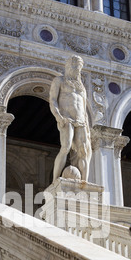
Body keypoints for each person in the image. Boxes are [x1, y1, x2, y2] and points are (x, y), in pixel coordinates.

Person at [49, 55, 92, 183]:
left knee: (83, 152)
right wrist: (58, 116)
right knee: (66, 147)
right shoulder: (59, 80)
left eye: (78, 67)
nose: (75, 69)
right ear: (67, 66)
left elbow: (83, 107)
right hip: (66, 119)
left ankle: (84, 182)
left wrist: (87, 126)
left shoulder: (81, 86)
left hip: (81, 121)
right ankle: (55, 181)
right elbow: (52, 100)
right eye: (73, 66)